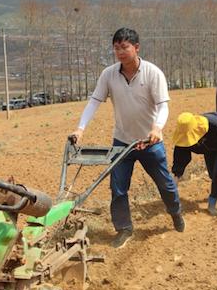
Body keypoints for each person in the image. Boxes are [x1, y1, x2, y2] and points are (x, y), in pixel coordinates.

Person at [72, 27, 184, 249]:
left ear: (136, 48)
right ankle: (124, 228)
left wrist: (157, 128)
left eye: (125, 47)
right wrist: (80, 129)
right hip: (122, 142)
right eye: (116, 48)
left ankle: (175, 212)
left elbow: (163, 106)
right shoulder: (109, 74)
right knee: (118, 188)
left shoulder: (153, 73)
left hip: (149, 142)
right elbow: (94, 101)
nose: (120, 52)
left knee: (165, 184)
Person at [171, 112, 217, 216]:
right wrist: (177, 176)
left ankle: (212, 203)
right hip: (208, 149)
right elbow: (180, 157)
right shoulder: (183, 138)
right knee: (212, 174)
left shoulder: (214, 124)